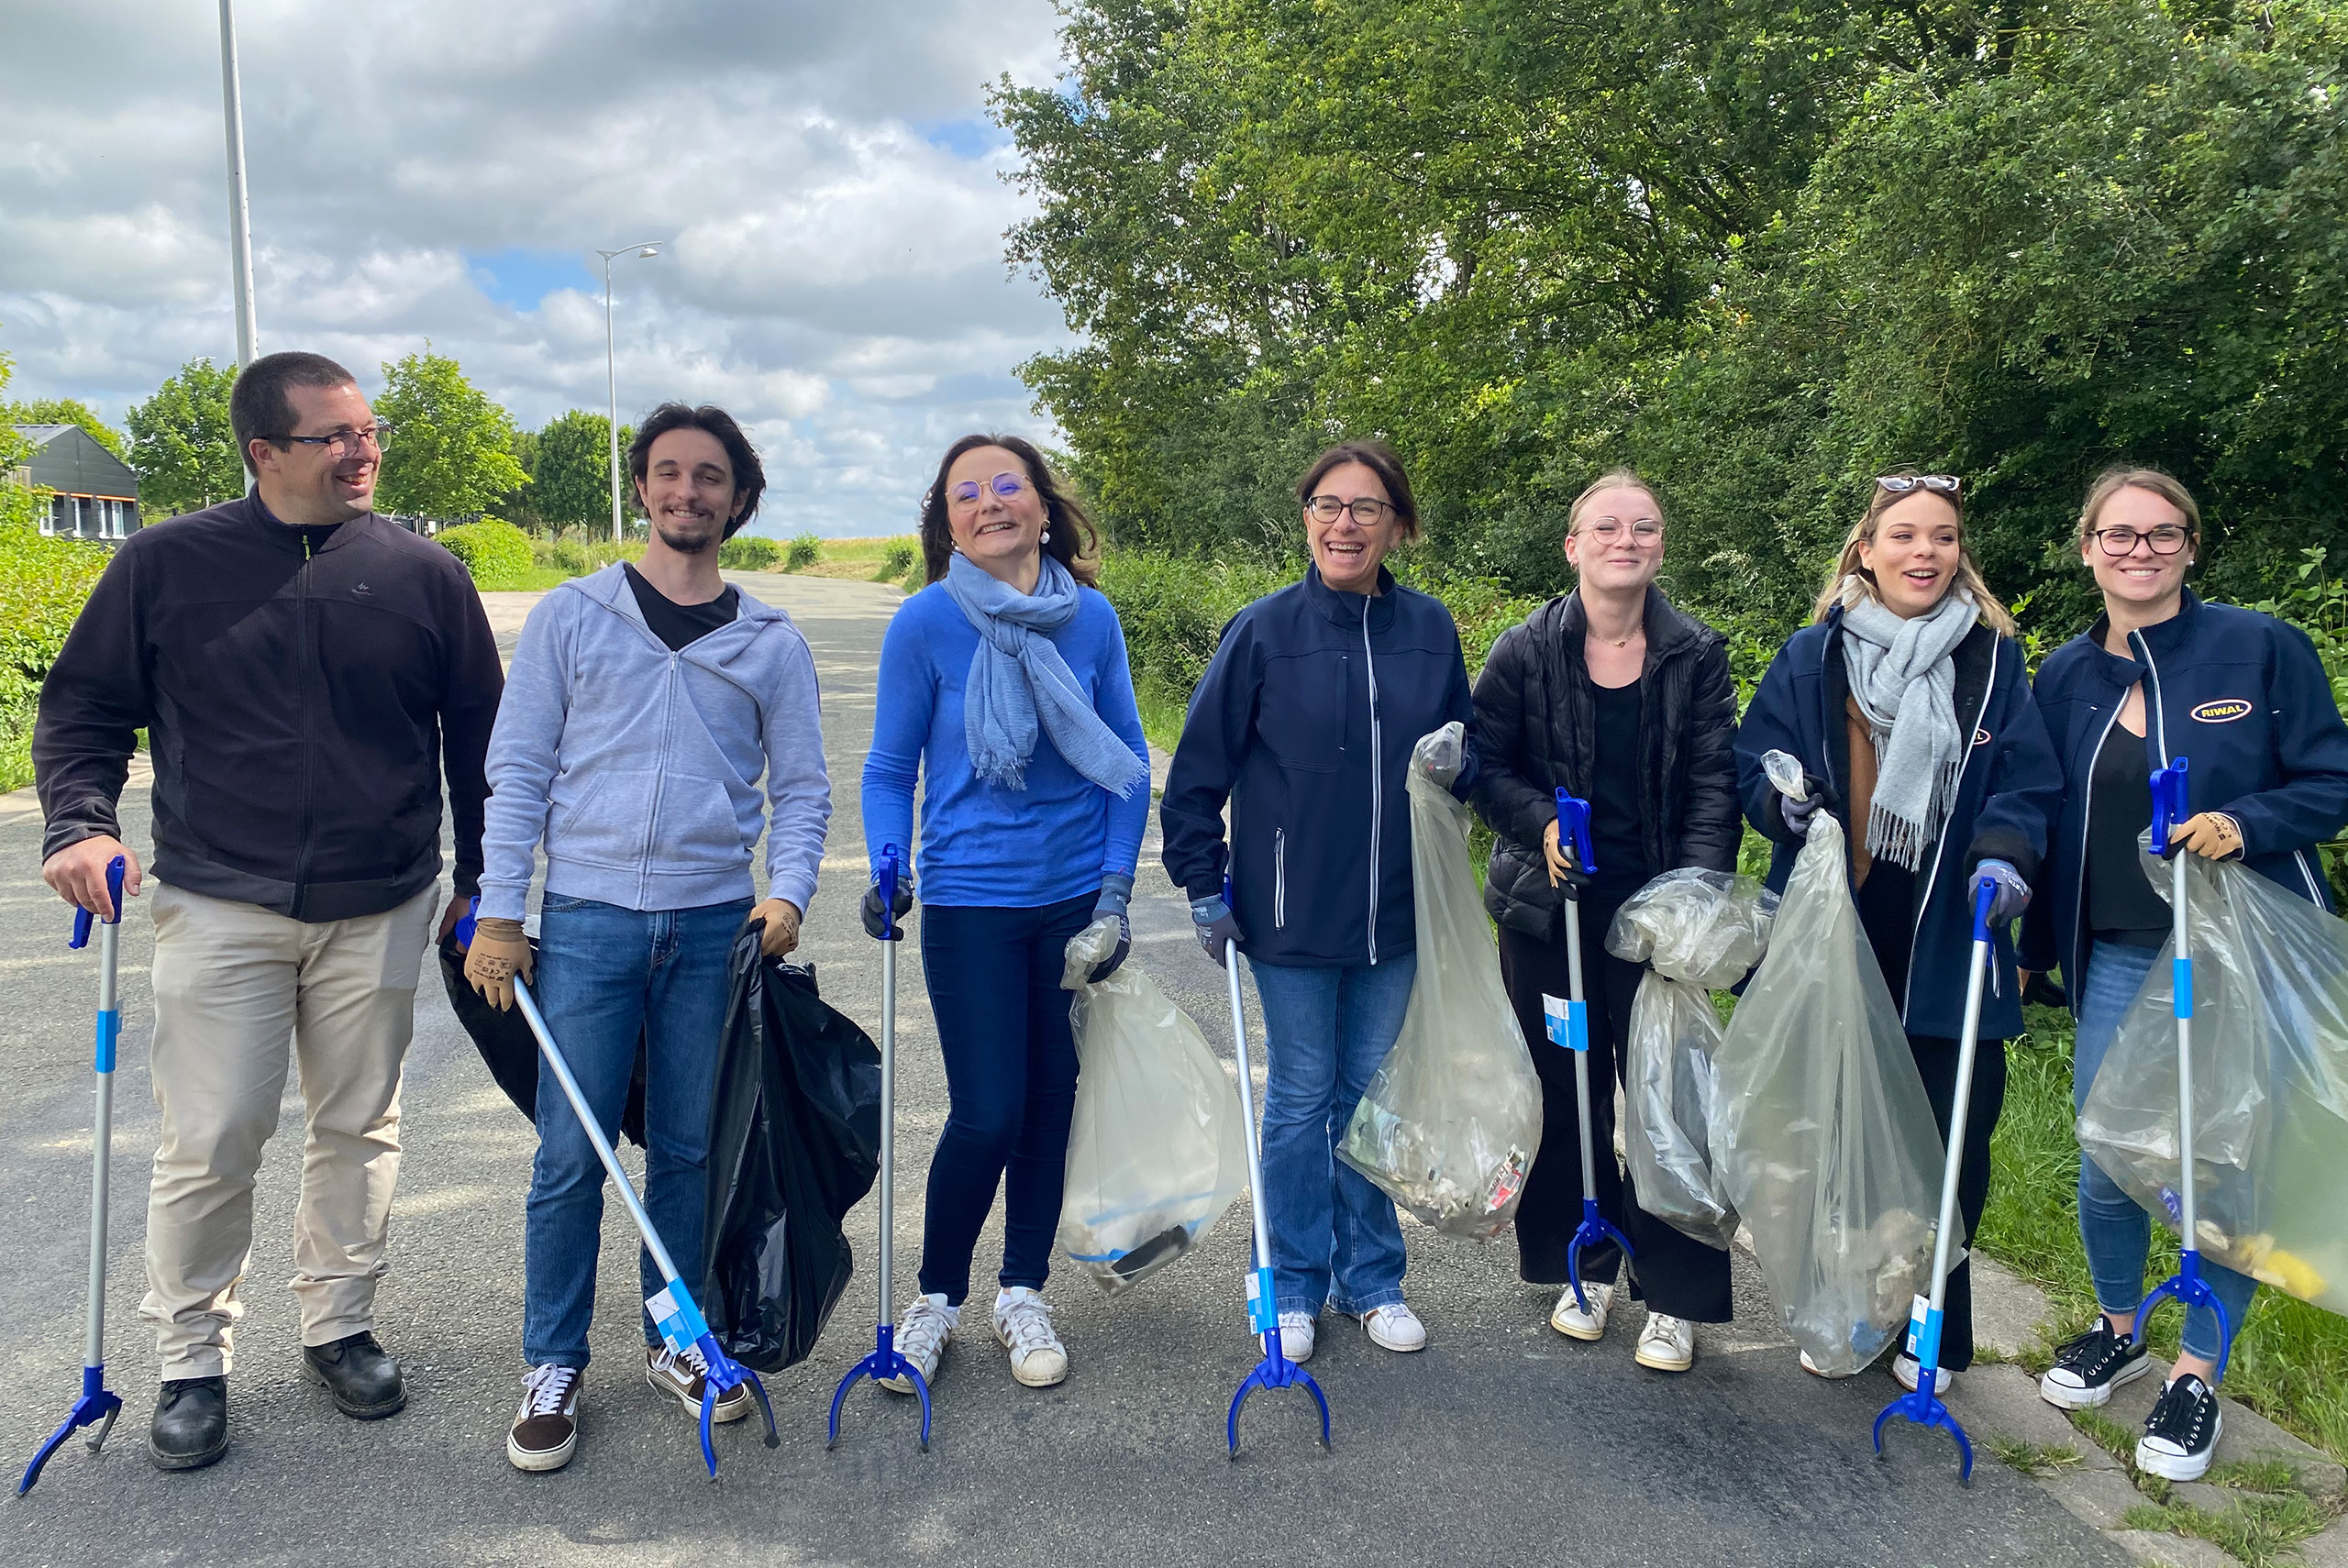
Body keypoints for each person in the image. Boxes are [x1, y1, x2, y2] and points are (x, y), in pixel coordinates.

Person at [33, 351, 502, 1471]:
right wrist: (78, 825)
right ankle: (191, 1356)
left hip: (381, 901)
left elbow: (486, 749)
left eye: (369, 430)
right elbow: (84, 712)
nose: (364, 451)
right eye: (335, 436)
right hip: (219, 900)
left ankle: (338, 1324)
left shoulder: (425, 576)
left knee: (359, 1126)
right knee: (211, 1138)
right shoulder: (162, 567)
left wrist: (488, 886)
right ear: (265, 452)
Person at [469, 403, 829, 1474]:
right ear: (642, 490)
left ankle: (677, 1338)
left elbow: (802, 789)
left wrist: (792, 892)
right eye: (668, 474)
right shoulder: (572, 618)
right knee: (569, 1155)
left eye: (708, 477)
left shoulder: (770, 641)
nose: (687, 493)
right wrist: (500, 910)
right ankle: (552, 1363)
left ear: (738, 498)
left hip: (716, 924)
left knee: (686, 1147)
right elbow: (518, 773)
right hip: (584, 923)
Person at [2022, 468, 2348, 1482]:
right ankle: (2120, 1326)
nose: (2140, 552)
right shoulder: (2062, 676)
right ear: (2086, 550)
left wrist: (2245, 824)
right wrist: (2032, 940)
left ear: (2190, 548)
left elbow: (2330, 781)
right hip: (2120, 952)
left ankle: (2198, 1371)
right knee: (2107, 1152)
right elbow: (2044, 813)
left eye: (2162, 535)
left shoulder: (2258, 648)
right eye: (2117, 536)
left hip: (2239, 957)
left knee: (2221, 1166)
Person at [1734, 471, 2060, 1393]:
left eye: (1944, 537)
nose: (1925, 552)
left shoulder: (1994, 662)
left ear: (1961, 555)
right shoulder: (1814, 654)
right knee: (1836, 1136)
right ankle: (1846, 1303)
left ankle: (1932, 1326)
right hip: (1838, 936)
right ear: (1865, 552)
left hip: (1957, 935)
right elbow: (1751, 761)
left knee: (1951, 1144)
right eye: (1906, 536)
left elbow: (2027, 789)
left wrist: (2005, 855)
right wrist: (1783, 802)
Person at [1160, 440, 1478, 1364]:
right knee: (1302, 1098)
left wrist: (1462, 765)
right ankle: (1293, 1283)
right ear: (1305, 518)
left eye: (1367, 508)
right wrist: (1201, 884)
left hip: (1398, 911)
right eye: (1329, 506)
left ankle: (1371, 1280)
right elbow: (1195, 777)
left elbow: (1463, 750)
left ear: (1397, 525)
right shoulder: (1262, 631)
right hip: (1290, 913)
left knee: (1371, 1097)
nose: (1346, 524)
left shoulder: (1430, 629)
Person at [859, 434, 1149, 1394]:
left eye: (1005, 486)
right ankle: (936, 1298)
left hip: (1069, 903)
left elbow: (1126, 763)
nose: (988, 503)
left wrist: (1114, 894)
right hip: (970, 903)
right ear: (947, 521)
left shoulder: (1092, 620)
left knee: (1049, 1102)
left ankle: (1021, 1290)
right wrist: (887, 863)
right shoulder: (924, 624)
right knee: (988, 1109)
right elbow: (889, 766)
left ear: (1040, 505)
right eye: (965, 494)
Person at [1469, 469, 1741, 1372]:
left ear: (1660, 548)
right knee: (1567, 1088)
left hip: (1656, 921)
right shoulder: (1523, 649)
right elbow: (1481, 764)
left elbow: (1713, 785)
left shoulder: (1696, 653)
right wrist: (1539, 822)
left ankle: (1676, 1297)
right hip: (1550, 915)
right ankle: (1583, 1258)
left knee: (1671, 1101)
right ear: (1573, 546)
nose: (1627, 539)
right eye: (1608, 526)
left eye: (1645, 527)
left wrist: (1694, 901)